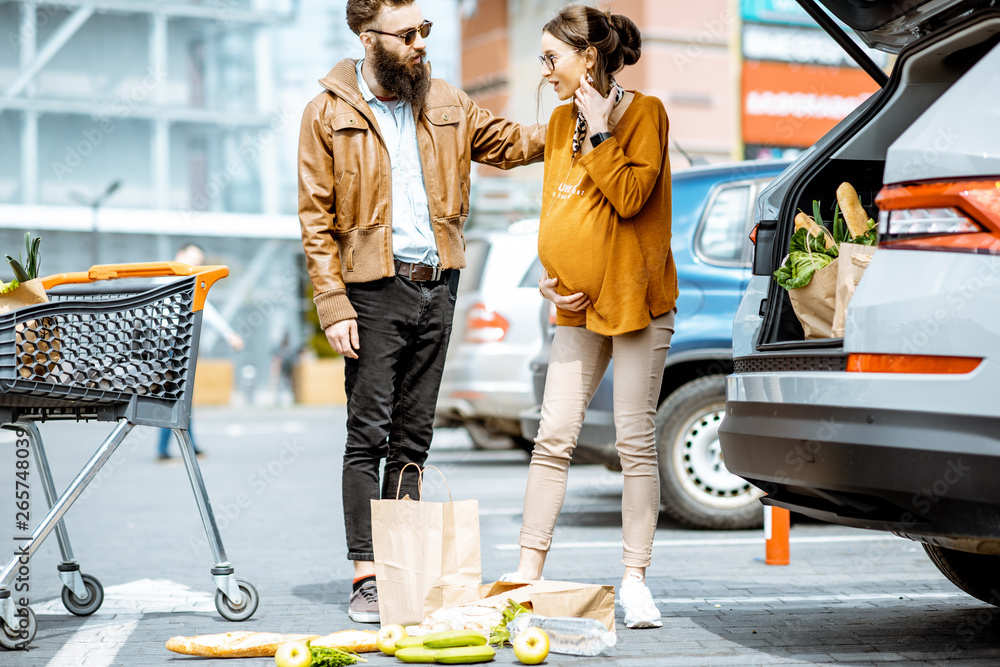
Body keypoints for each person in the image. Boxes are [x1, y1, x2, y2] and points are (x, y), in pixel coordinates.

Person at [297, 0, 545, 623]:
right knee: (367, 435)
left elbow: (515, 143)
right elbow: (315, 221)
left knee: (415, 436)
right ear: (365, 34)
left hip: (440, 285)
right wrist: (332, 303)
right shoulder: (326, 113)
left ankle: (402, 566)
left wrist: (584, 112)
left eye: (424, 31)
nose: (418, 44)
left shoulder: (447, 102)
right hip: (372, 290)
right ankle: (366, 574)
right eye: (406, 34)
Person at [503, 5, 675, 630]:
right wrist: (552, 281)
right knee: (552, 438)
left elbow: (630, 197)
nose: (544, 69)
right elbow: (558, 210)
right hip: (573, 308)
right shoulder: (555, 124)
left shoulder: (645, 113)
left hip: (636, 303)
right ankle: (526, 571)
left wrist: (602, 131)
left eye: (552, 57)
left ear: (588, 57)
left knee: (634, 443)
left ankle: (634, 581)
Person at [156, 243, 244, 461]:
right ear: (179, 255)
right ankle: (171, 447)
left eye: (198, 261)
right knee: (175, 398)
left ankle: (185, 445)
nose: (195, 264)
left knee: (179, 398)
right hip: (167, 348)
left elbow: (207, 310)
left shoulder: (189, 282)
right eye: (192, 258)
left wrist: (228, 333)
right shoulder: (164, 280)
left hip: (178, 348)